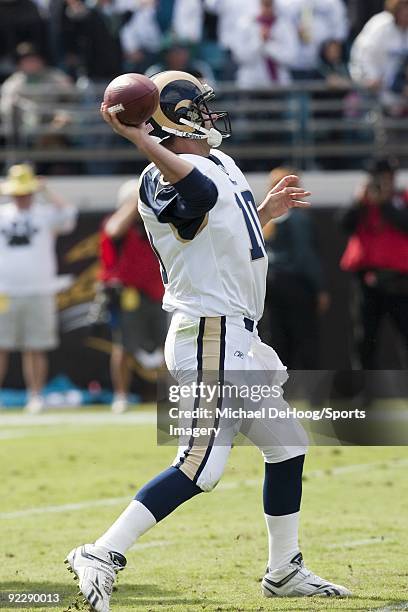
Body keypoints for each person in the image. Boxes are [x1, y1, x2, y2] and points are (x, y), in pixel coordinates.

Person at [65, 70, 350, 611]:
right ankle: (101, 552)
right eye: (196, 105)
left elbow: (219, 224)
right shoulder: (158, 174)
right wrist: (140, 137)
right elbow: (195, 195)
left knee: (289, 445)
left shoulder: (218, 161)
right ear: (169, 116)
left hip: (235, 331)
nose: (208, 112)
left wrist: (263, 212)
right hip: (209, 333)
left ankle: (284, 570)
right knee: (200, 466)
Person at [0, 164, 77, 413]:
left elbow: (69, 216)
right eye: (17, 192)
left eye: (25, 192)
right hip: (4, 291)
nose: (21, 197)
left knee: (36, 346)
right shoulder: (2, 214)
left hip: (39, 289)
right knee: (1, 347)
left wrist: (47, 191)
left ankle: (35, 395)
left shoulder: (45, 213)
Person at [99, 179, 166, 414]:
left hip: (159, 293)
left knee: (170, 346)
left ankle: (170, 395)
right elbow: (113, 230)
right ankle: (121, 395)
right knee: (123, 347)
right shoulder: (119, 223)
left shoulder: (155, 222)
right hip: (129, 295)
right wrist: (134, 202)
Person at [340, 158, 408, 369]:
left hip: (400, 281)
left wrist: (385, 202)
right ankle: (364, 393)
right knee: (365, 339)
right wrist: (358, 203)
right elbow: (344, 224)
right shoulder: (362, 200)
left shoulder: (401, 198)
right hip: (366, 280)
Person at [263, 168, 329, 369]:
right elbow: (305, 256)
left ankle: (281, 393)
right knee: (306, 340)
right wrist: (320, 289)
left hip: (271, 284)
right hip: (296, 286)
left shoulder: (267, 220)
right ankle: (315, 397)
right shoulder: (298, 219)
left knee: (278, 341)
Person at [349, 0, 408, 103]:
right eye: (403, 7)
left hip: (398, 94)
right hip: (373, 90)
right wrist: (370, 77)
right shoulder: (380, 25)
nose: (406, 12)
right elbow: (362, 55)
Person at [230, 0, 298, 89]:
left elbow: (291, 57)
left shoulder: (285, 25)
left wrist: (268, 44)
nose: (267, 8)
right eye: (264, 4)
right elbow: (239, 57)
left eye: (269, 4)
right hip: (251, 85)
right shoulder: (244, 24)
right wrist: (260, 41)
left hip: (279, 86)